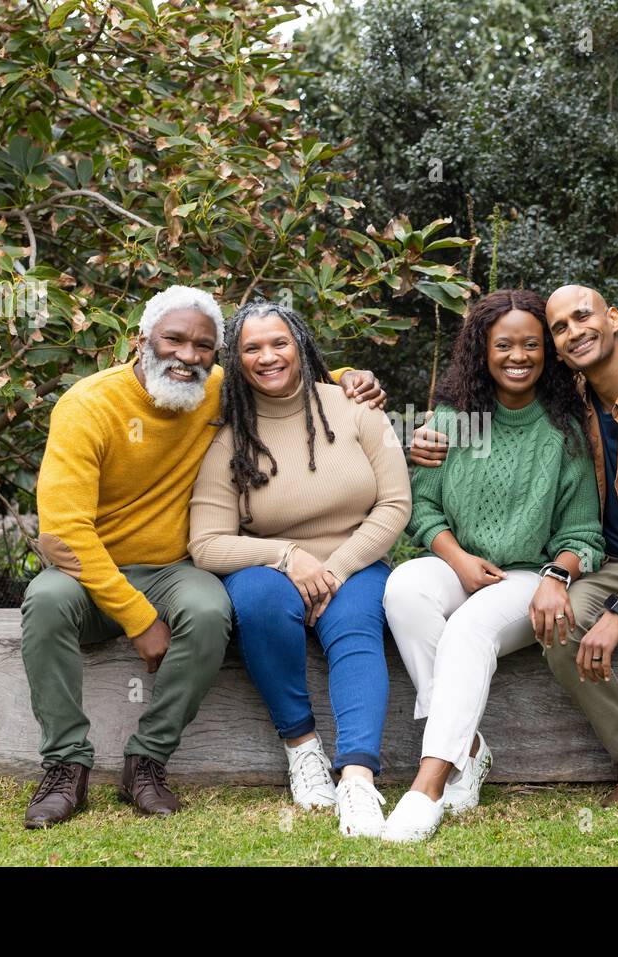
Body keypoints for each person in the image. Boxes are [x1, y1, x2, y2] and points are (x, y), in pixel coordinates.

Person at [22, 285, 384, 828]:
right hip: (88, 570)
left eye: (204, 346)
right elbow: (65, 534)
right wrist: (138, 618)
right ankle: (64, 766)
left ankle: (147, 762)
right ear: (141, 340)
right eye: (174, 341)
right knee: (44, 602)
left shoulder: (214, 389)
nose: (188, 356)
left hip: (174, 568)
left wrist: (351, 377)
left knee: (211, 610)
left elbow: (281, 375)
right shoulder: (88, 406)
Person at [410, 283, 618, 840]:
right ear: (556, 347)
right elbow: (487, 398)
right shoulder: (566, 395)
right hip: (607, 562)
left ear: (614, 318)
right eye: (561, 329)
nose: (573, 332)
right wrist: (423, 437)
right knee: (556, 621)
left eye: (583, 317)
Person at [379, 289, 605, 843]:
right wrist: (457, 560)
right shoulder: (452, 419)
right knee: (404, 587)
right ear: (483, 350)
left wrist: (557, 576)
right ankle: (470, 748)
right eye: (504, 344)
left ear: (547, 353)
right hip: (463, 566)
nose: (518, 355)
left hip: (528, 576)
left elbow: (584, 534)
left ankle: (427, 786)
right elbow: (422, 509)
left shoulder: (564, 432)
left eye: (532, 344)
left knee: (470, 627)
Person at [188, 299, 411, 838]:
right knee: (260, 602)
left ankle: (358, 777)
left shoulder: (357, 408)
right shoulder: (228, 438)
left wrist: (334, 570)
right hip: (272, 568)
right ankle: (302, 749)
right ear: (235, 362)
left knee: (357, 625)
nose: (268, 356)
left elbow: (395, 505)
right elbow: (207, 544)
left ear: (301, 345)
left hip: (355, 561)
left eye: (279, 343)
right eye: (252, 348)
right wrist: (287, 557)